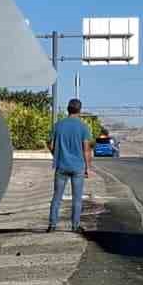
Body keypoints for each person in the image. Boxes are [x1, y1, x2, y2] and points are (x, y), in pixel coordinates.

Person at [48, 98, 93, 233]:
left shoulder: (58, 125)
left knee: (57, 197)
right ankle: (75, 226)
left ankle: (52, 225)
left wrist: (56, 154)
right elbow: (86, 149)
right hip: (78, 167)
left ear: (68, 109)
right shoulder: (83, 127)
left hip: (61, 166)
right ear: (79, 110)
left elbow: (50, 144)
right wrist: (88, 167)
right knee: (77, 198)